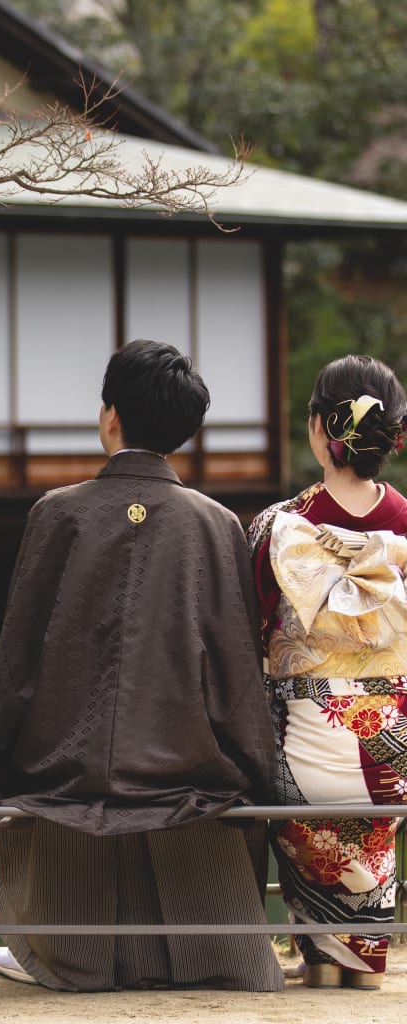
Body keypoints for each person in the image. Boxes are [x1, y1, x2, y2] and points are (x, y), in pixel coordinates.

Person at [0, 338, 284, 992]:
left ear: (110, 416)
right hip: (186, 767)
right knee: (196, 782)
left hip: (64, 768)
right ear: (185, 430)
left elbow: (18, 658)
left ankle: (61, 956)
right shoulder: (216, 524)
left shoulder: (56, 514)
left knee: (56, 787)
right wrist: (257, 772)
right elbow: (236, 668)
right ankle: (200, 958)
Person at [247, 354, 407, 990]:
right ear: (394, 438)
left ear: (319, 429)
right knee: (371, 852)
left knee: (307, 812)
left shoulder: (276, 528)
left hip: (305, 749)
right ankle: (365, 965)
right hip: (391, 748)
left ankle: (321, 964)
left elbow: (245, 639)